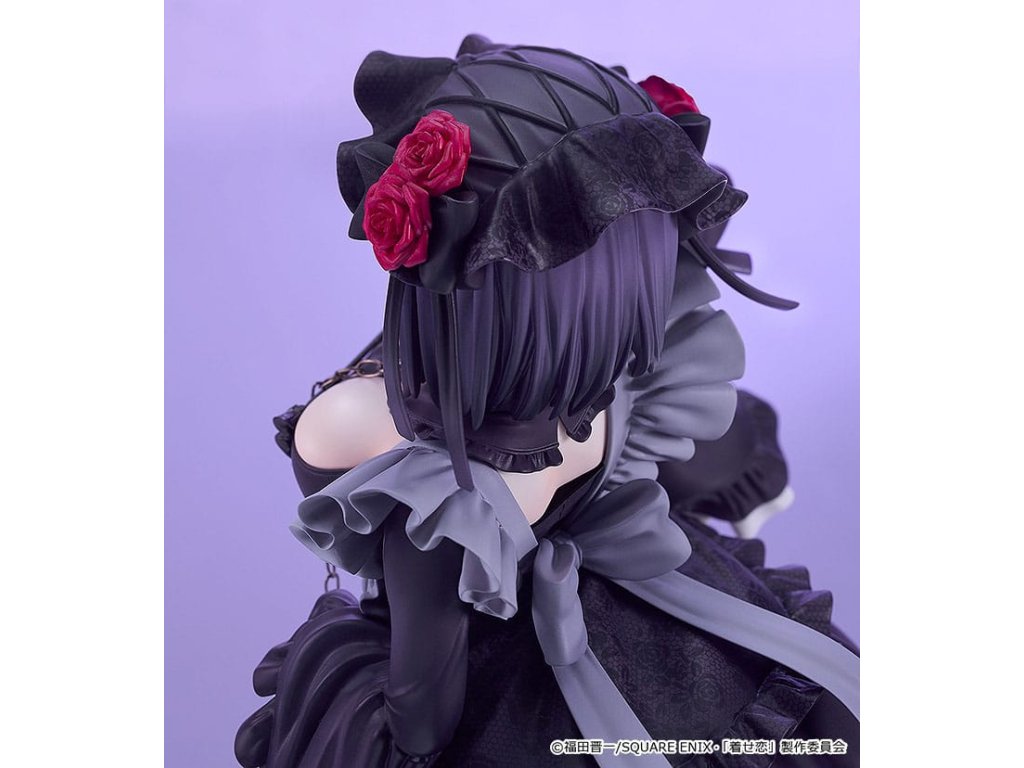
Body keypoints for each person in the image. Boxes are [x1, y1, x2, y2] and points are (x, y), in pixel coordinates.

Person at [235, 35, 859, 768]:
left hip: (524, 703)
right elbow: (697, 450)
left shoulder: (402, 453)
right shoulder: (629, 357)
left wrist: (348, 690)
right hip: (672, 626)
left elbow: (421, 715)